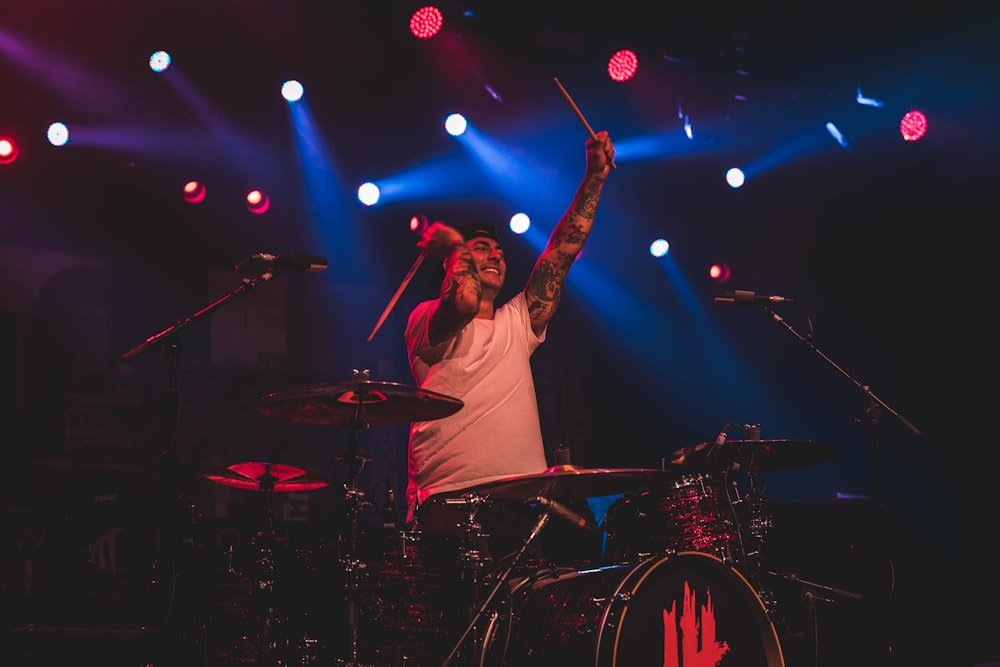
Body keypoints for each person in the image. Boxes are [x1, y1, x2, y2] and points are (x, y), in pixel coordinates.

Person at [401, 130, 615, 574]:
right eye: (483, 249)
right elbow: (459, 303)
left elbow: (561, 253)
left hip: (521, 507)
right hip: (452, 502)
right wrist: (459, 249)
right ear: (453, 261)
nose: (496, 255)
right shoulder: (424, 317)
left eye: (499, 250)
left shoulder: (516, 321)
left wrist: (594, 176)